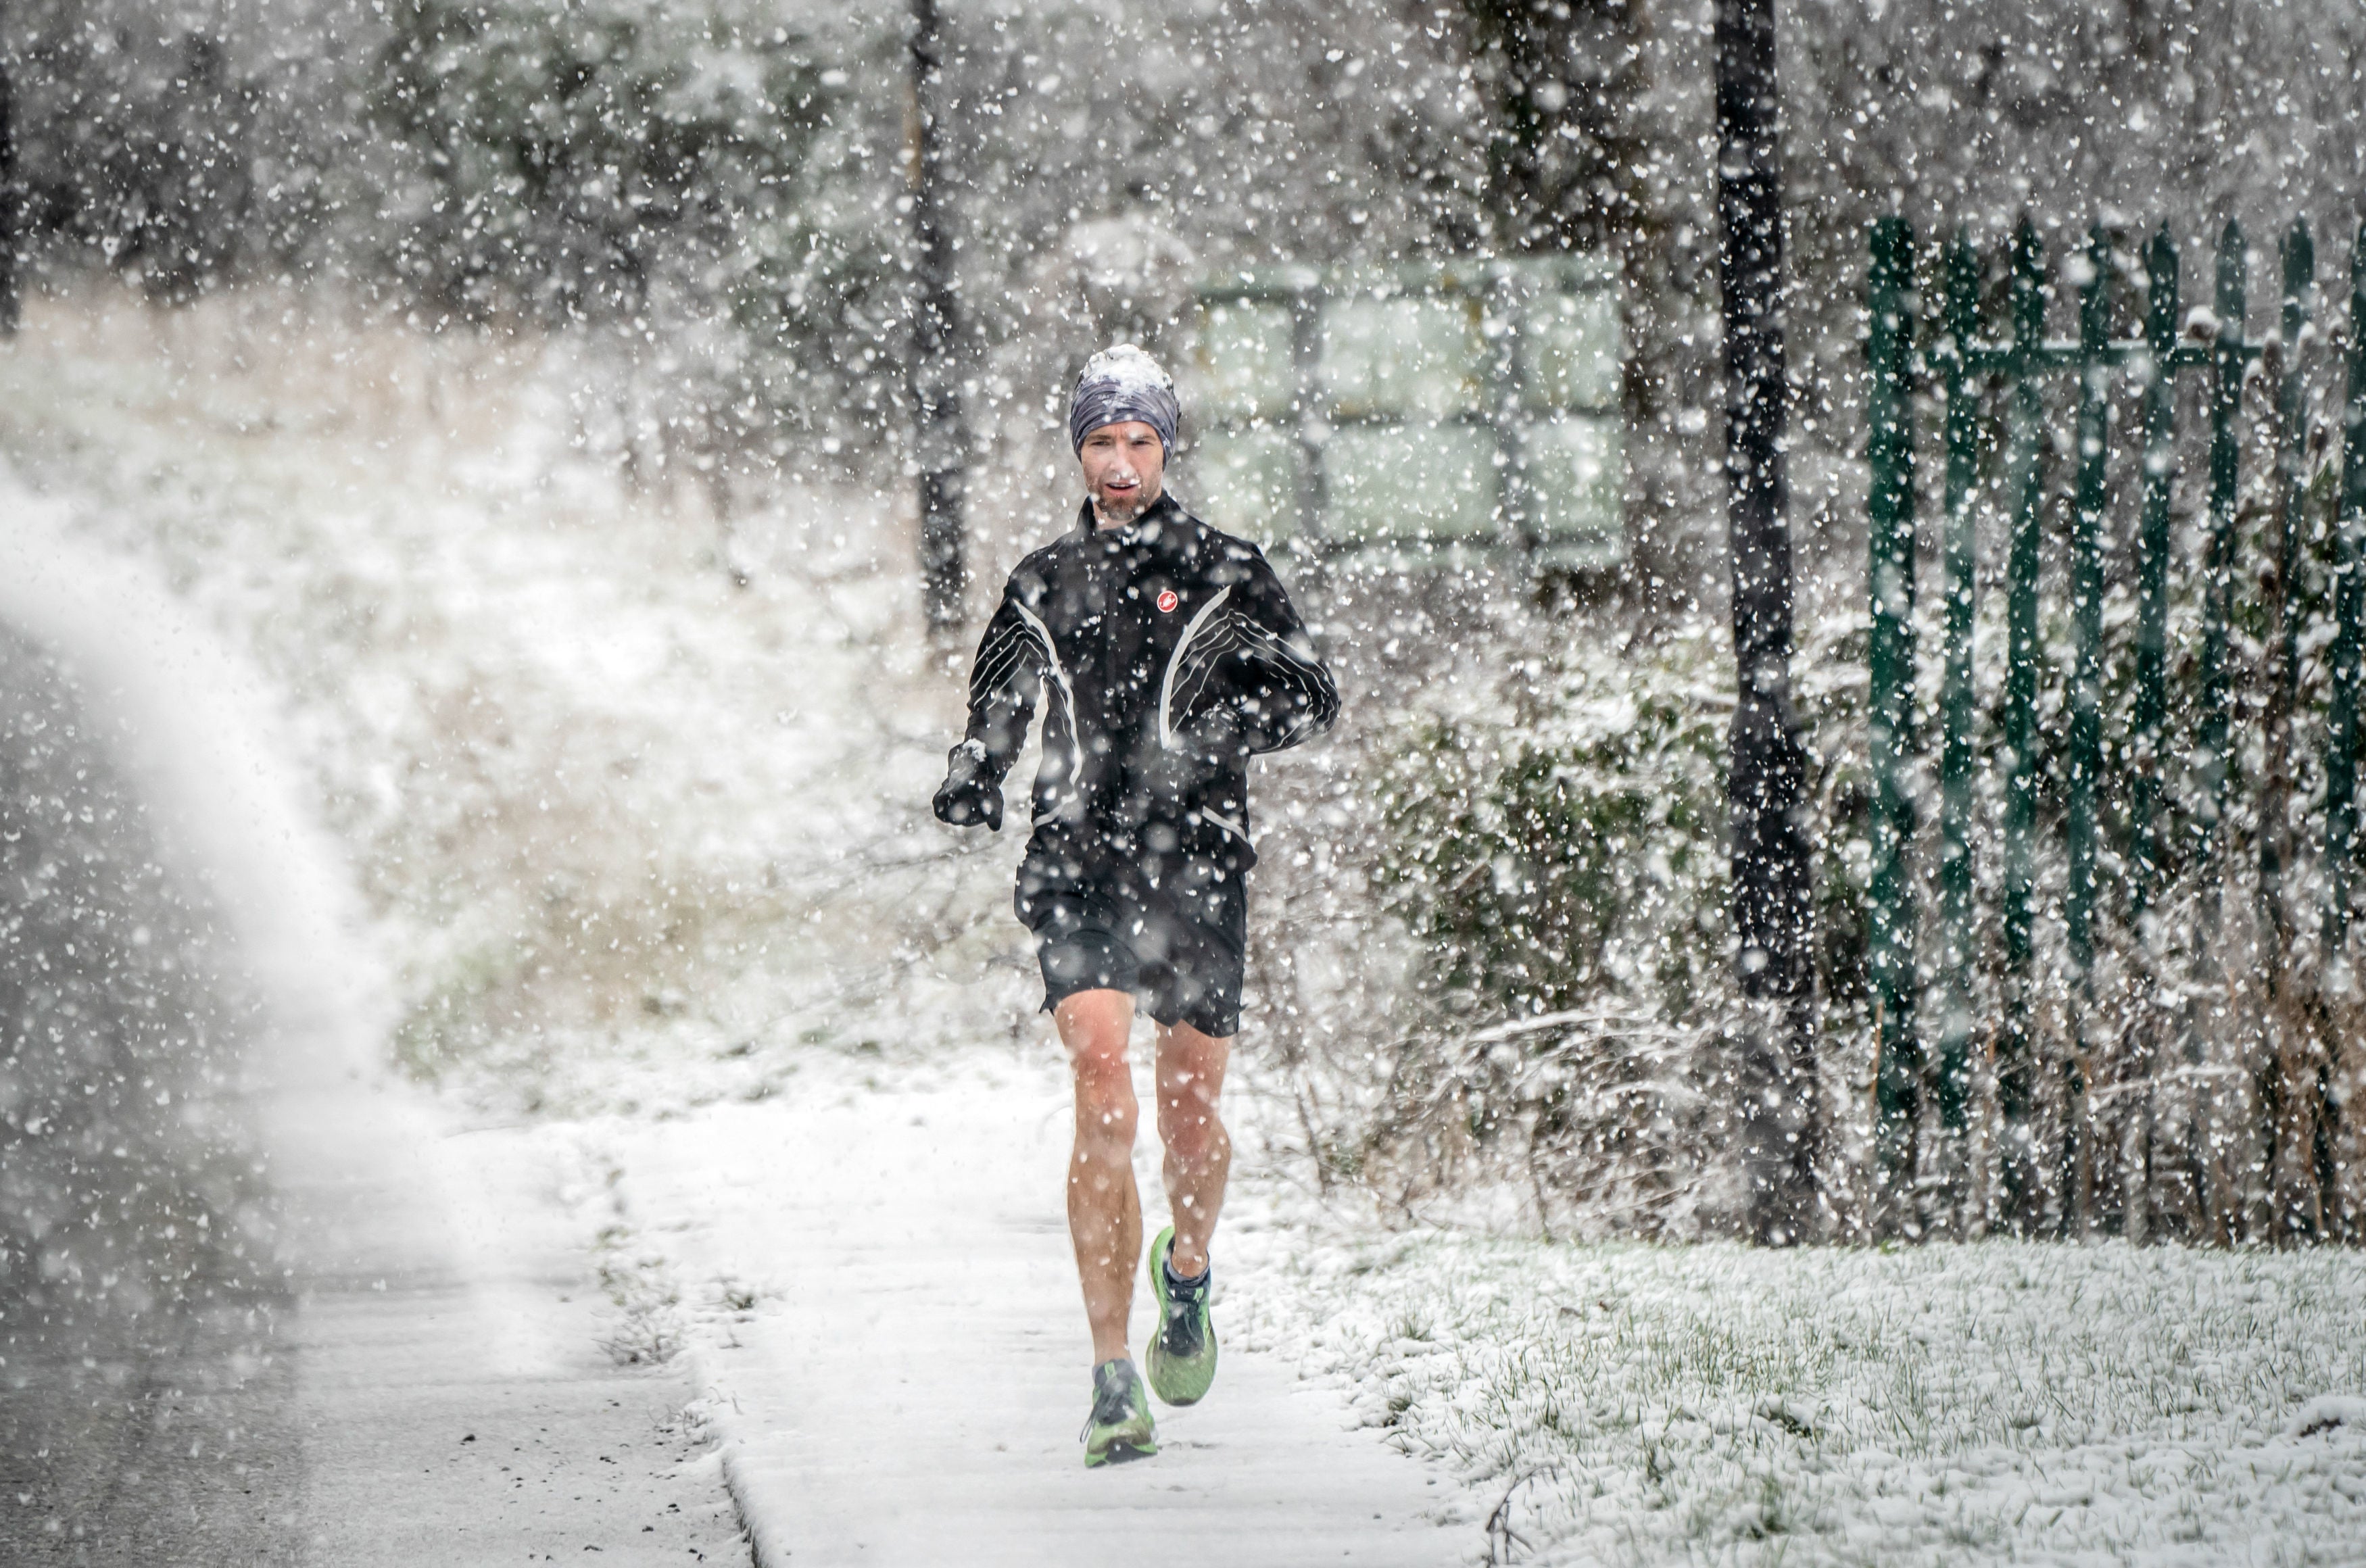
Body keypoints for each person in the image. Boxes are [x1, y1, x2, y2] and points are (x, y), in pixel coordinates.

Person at [932, 344, 1339, 1467]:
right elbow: (998, 702)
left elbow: (1313, 694)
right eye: (1101, 443)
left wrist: (1218, 722)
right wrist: (976, 769)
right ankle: (1112, 1373)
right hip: (1078, 865)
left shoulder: (1225, 569)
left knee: (1189, 1112)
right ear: (1078, 450)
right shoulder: (1041, 581)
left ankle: (1189, 1272)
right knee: (1102, 1093)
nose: (1119, 463)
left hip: (1199, 863)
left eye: (1139, 442)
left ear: (1168, 446)